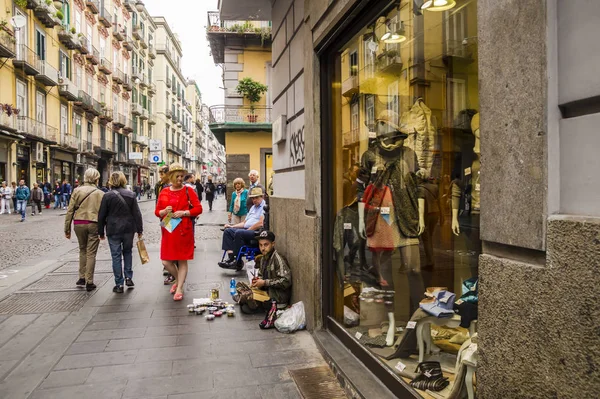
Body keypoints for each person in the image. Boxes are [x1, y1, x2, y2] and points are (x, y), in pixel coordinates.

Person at [155, 163, 202, 301]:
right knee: (166, 262)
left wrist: (184, 212)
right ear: (171, 177)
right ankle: (178, 280)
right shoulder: (164, 191)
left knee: (182, 260)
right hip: (168, 228)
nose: (180, 179)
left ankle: (180, 287)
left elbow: (198, 209)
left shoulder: (188, 191)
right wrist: (163, 212)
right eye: (178, 176)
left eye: (182, 176)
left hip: (183, 230)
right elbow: (157, 211)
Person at [98, 172, 144, 294]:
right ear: (124, 180)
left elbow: (101, 215)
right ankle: (128, 277)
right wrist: (139, 230)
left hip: (113, 229)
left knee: (116, 256)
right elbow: (137, 214)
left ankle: (119, 284)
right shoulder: (131, 194)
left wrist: (100, 231)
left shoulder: (107, 196)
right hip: (129, 228)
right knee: (128, 252)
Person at [64, 168, 105, 292]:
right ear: (96, 178)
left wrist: (67, 229)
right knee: (91, 252)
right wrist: (103, 229)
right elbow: (103, 213)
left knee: (82, 249)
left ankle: (81, 277)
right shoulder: (100, 193)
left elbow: (70, 210)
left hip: (78, 223)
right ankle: (89, 281)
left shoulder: (77, 190)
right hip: (94, 223)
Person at [240, 231, 292, 314]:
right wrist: (257, 281)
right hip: (267, 293)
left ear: (273, 244)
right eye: (260, 245)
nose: (263, 248)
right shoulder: (263, 258)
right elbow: (261, 275)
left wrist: (264, 282)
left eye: (266, 245)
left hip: (277, 300)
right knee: (244, 296)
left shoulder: (278, 259)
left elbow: (286, 281)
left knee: (245, 307)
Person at [218, 187, 266, 269]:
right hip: (247, 229)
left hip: (256, 231)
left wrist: (248, 230)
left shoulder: (263, 206)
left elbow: (260, 223)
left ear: (262, 197)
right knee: (228, 231)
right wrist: (232, 226)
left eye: (256, 198)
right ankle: (231, 258)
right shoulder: (253, 207)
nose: (254, 200)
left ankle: (237, 260)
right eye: (253, 198)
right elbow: (244, 223)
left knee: (239, 233)